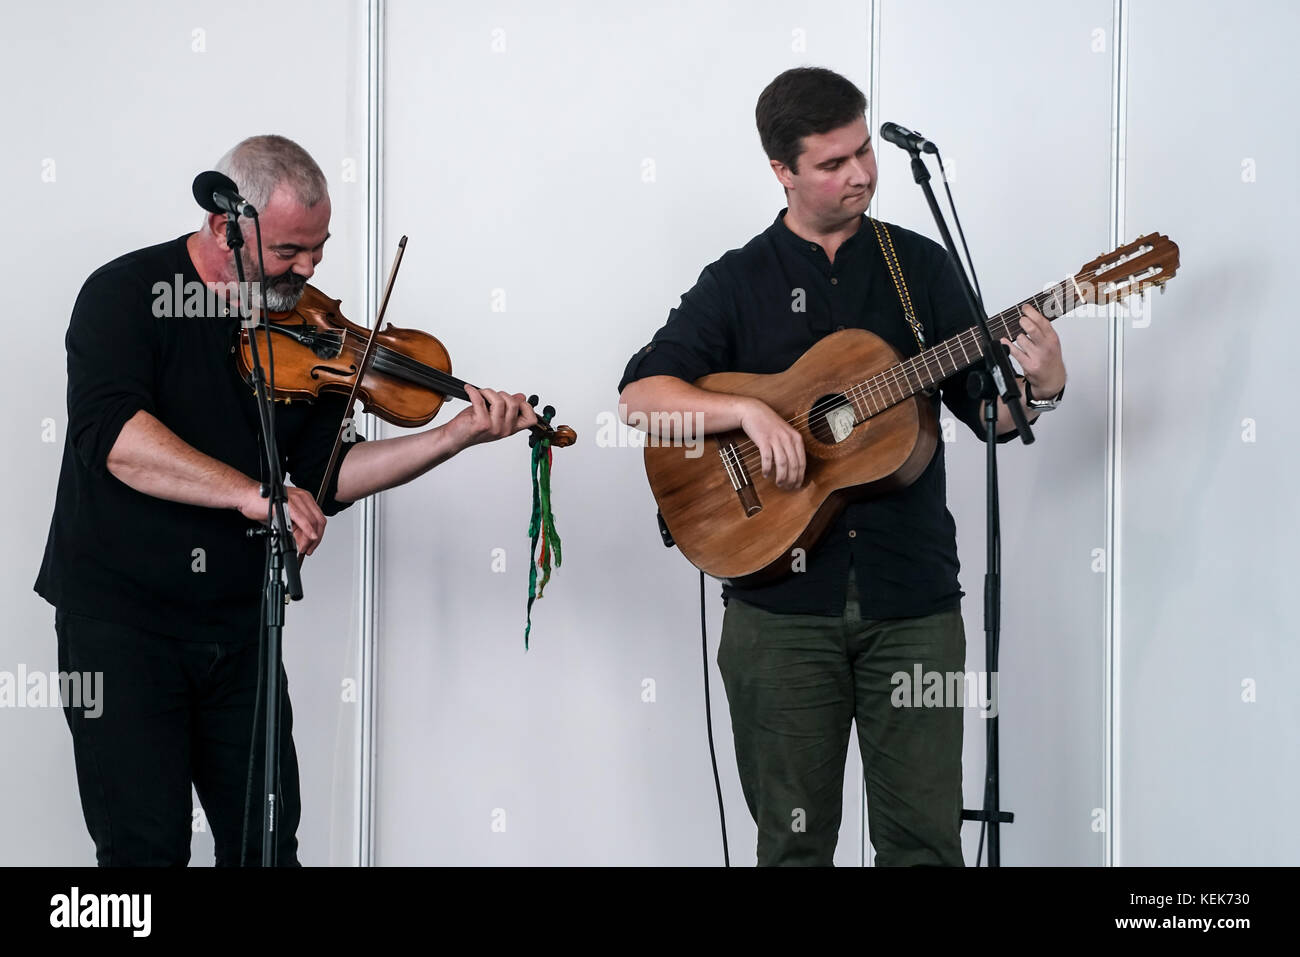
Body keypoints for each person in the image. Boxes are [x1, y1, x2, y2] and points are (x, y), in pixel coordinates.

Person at [35, 134, 537, 866]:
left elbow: (327, 475)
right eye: (288, 252)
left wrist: (451, 436)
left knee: (268, 848)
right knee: (143, 852)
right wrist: (252, 494)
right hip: (123, 627)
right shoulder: (123, 294)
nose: (306, 271)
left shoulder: (305, 332)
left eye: (319, 250)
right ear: (223, 226)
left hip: (241, 627)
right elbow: (114, 438)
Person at [617, 68, 1066, 866]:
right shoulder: (739, 280)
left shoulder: (918, 267)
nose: (860, 173)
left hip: (914, 603)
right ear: (781, 171)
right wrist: (749, 412)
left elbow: (989, 415)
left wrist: (1044, 387)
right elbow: (642, 399)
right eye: (832, 163)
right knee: (793, 850)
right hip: (779, 615)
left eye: (864, 150)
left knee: (925, 845)